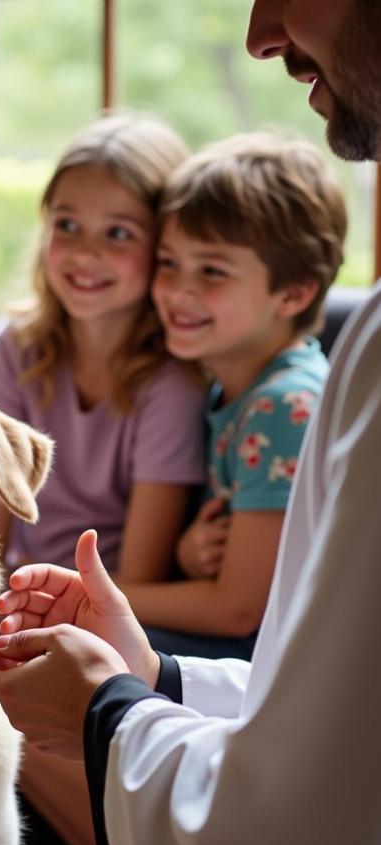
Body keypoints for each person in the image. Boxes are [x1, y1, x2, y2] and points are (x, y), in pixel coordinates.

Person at [0, 2, 381, 845]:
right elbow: (311, 709)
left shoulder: (251, 394)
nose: (258, 32)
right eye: (178, 266)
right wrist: (149, 671)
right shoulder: (243, 387)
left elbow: (305, 814)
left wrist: (108, 701)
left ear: (294, 291)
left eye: (127, 236)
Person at [0, 113, 205, 845]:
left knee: (13, 709)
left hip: (100, 604)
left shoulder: (164, 385)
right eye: (66, 224)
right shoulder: (19, 348)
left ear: (159, 248)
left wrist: (45, 622)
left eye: (117, 233)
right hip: (13, 596)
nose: (83, 252)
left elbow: (130, 575)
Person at [123, 130, 346, 661]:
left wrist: (97, 592)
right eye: (168, 262)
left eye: (213, 272)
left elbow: (238, 609)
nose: (178, 291)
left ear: (294, 292)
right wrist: (188, 552)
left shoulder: (282, 407)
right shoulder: (231, 386)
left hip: (274, 657)